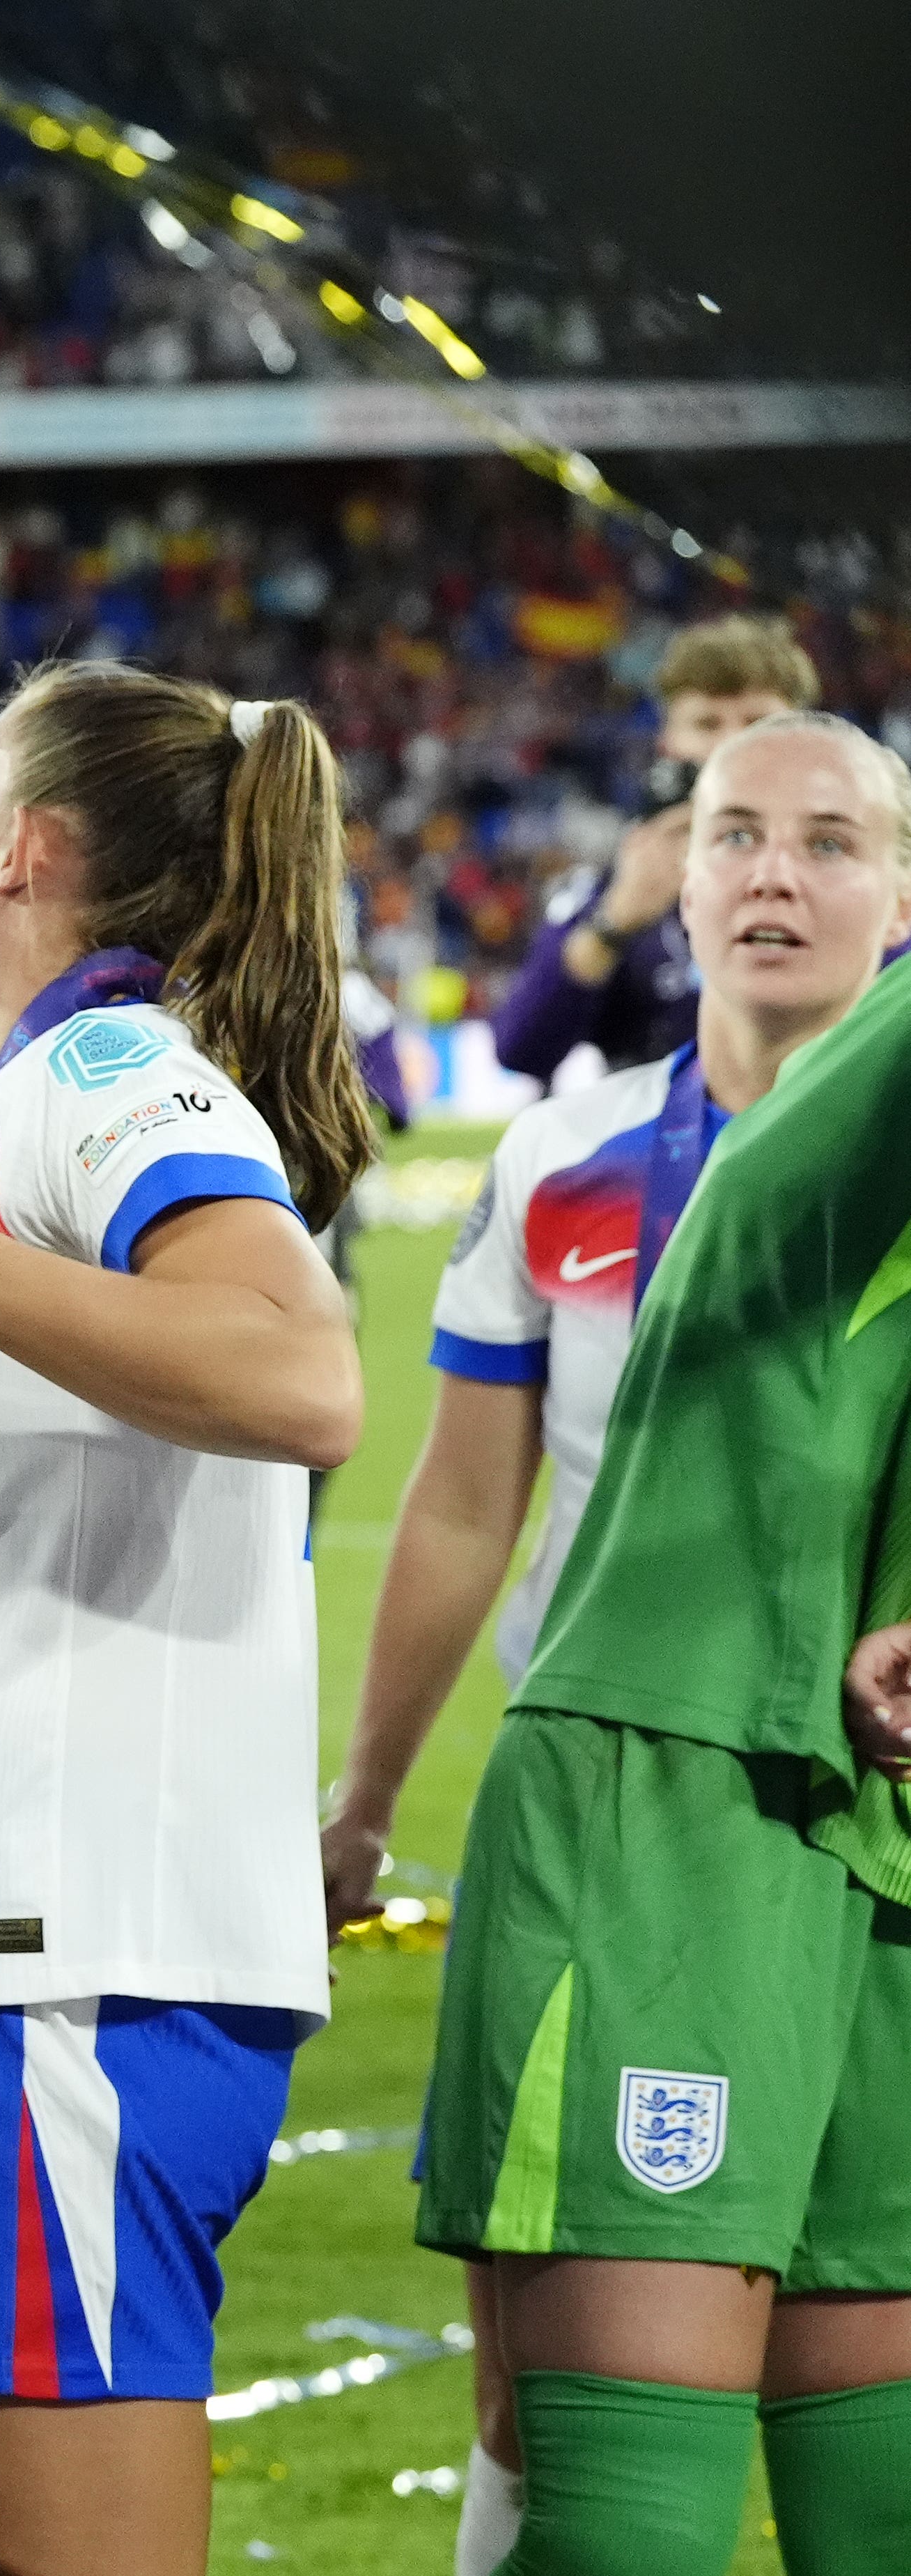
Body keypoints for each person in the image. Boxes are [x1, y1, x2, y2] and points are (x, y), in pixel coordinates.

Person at [327, 711, 911, 2575]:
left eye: (829, 841)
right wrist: (367, 1793)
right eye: (734, 834)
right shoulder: (581, 1159)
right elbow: (462, 1502)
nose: (772, 873)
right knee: (598, 2481)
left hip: (877, 1832)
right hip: (650, 1808)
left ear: (896, 896)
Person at [0, 668, 373, 2575]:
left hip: (68, 1959)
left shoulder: (101, 1074)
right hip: (0, 1954)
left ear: (30, 850)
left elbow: (298, 1372)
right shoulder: (27, 1105)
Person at [491, 616, 817, 1081]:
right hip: (669, 1147)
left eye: (757, 721)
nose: (731, 743)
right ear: (668, 743)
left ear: (806, 736)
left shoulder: (869, 868)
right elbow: (521, 1049)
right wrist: (616, 921)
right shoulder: (619, 880)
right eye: (707, 723)